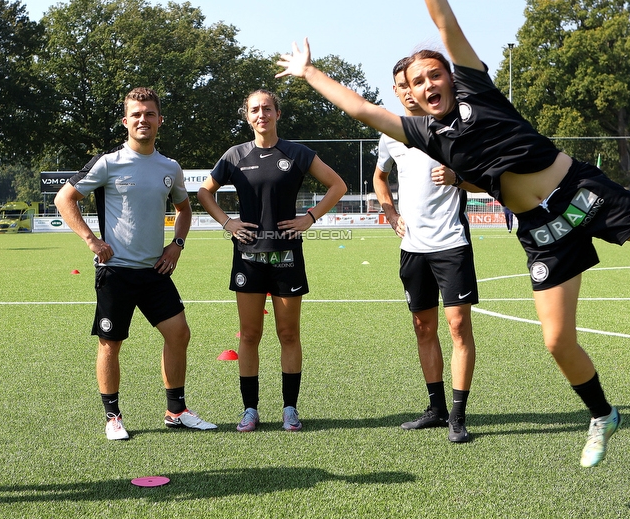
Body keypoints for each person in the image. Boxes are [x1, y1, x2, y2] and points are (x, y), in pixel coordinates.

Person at [277, 0, 630, 467]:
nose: (429, 84)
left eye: (435, 74)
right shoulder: (425, 136)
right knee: (558, 342)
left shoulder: (478, 91)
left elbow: (445, 25)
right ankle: (602, 414)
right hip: (542, 231)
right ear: (411, 96)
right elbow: (358, 108)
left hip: (585, 196)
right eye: (418, 82)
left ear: (450, 75)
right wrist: (309, 72)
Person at [55, 87, 216, 441]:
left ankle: (176, 411)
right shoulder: (109, 163)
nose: (144, 120)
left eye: (150, 114)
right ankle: (113, 417)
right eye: (137, 115)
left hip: (154, 270)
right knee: (110, 343)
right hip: (115, 272)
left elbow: (184, 209)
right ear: (126, 121)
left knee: (179, 333)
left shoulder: (169, 167)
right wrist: (91, 240)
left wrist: (176, 244)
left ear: (160, 120)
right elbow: (64, 198)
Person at [198, 89, 346, 432]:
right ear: (247, 116)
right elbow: (204, 192)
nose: (261, 114)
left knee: (288, 334)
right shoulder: (235, 155)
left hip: (286, 257)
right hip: (248, 257)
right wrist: (228, 223)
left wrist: (309, 217)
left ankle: (290, 409)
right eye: (254, 109)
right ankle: (250, 409)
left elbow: (337, 185)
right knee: (249, 335)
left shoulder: (297, 153)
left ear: (277, 114)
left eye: (267, 108)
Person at [373, 58, 478, 442]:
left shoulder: (454, 128)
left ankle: (458, 416)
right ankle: (434, 409)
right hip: (412, 248)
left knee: (458, 327)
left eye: (414, 82)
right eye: (402, 84)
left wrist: (457, 178)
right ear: (399, 91)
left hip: (451, 243)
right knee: (422, 327)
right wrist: (388, 210)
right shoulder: (391, 134)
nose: (410, 89)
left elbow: (489, 178)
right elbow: (379, 177)